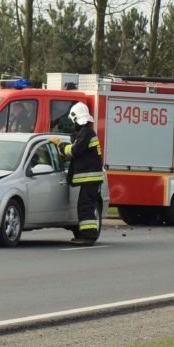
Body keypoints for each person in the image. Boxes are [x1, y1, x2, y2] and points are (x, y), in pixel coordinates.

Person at [51, 102, 103, 246]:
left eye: (73, 121)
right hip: (90, 179)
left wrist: (60, 146)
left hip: (90, 179)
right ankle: (87, 234)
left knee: (85, 207)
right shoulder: (86, 133)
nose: (72, 124)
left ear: (77, 118)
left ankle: (88, 236)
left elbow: (74, 151)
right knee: (85, 206)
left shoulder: (87, 133)